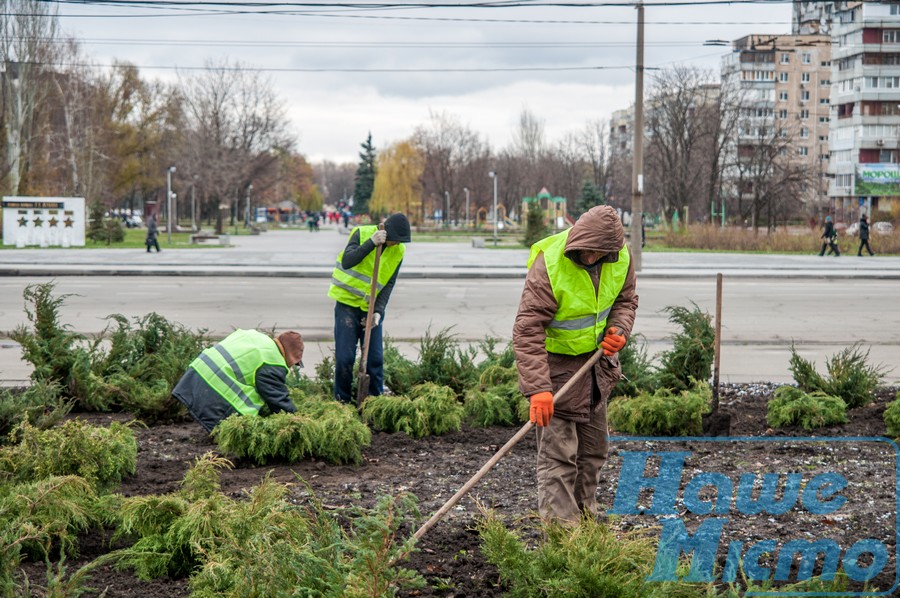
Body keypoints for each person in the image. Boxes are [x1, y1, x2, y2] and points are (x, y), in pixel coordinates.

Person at [513, 205, 638, 525]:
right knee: (559, 459)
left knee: (593, 452)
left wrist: (619, 331)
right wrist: (538, 389)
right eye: (589, 252)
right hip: (556, 374)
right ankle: (562, 539)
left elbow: (626, 300)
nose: (593, 258)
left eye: (601, 253)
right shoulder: (550, 264)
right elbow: (528, 328)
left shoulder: (621, 257)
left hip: (596, 370)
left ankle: (585, 524)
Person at [328, 213, 411, 404]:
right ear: (386, 233)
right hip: (347, 306)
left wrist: (378, 312)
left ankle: (375, 404)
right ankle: (341, 403)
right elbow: (348, 261)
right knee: (345, 359)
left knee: (375, 360)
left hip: (371, 308)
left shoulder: (398, 251)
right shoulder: (362, 233)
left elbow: (389, 283)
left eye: (401, 242)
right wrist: (371, 244)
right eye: (395, 240)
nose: (397, 244)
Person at [172, 329, 304, 432]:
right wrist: (298, 421)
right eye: (294, 364)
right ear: (290, 356)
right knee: (242, 428)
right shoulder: (272, 361)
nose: (291, 367)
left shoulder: (255, 336)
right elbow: (276, 398)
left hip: (194, 376)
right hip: (215, 394)